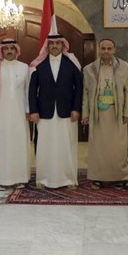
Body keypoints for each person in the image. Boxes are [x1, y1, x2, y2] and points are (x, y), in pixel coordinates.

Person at [82, 38, 128, 191]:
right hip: (97, 113)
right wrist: (85, 114)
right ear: (99, 50)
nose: (106, 51)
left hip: (117, 113)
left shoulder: (124, 67)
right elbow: (86, 93)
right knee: (97, 147)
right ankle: (97, 178)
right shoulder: (89, 69)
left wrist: (127, 112)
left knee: (118, 148)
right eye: (103, 48)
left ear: (114, 50)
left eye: (109, 48)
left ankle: (122, 178)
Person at [28, 34, 82, 189]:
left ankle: (69, 179)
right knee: (45, 146)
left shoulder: (71, 64)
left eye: (58, 43)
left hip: (67, 112)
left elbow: (78, 88)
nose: (55, 46)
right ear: (47, 46)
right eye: (51, 43)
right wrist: (33, 110)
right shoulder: (38, 65)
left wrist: (76, 108)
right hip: (44, 113)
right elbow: (32, 90)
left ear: (63, 45)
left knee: (67, 146)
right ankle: (43, 179)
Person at [0, 38, 31, 191]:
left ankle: (20, 178)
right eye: (6, 48)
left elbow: (28, 91)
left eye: (12, 48)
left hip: (19, 114)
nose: (9, 51)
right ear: (1, 51)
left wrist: (28, 110)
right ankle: (3, 179)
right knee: (2, 145)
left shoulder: (25, 68)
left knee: (19, 144)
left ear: (17, 50)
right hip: (0, 113)